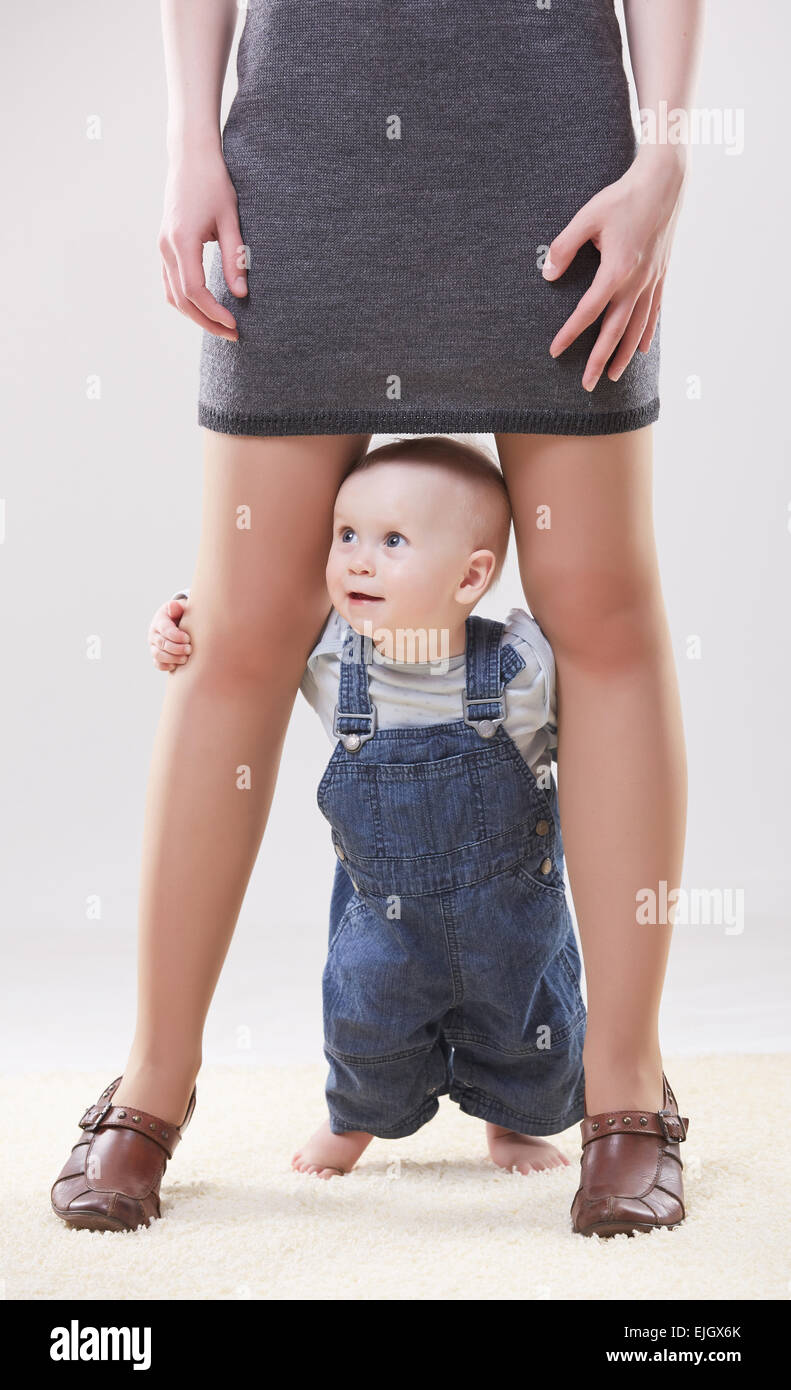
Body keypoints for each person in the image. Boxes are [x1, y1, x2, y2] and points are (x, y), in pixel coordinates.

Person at [50, 0, 703, 1233]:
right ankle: (151, 1081)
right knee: (243, 625)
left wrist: (660, 153)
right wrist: (192, 142)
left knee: (600, 610)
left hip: (552, 162)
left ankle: (624, 1094)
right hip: (302, 160)